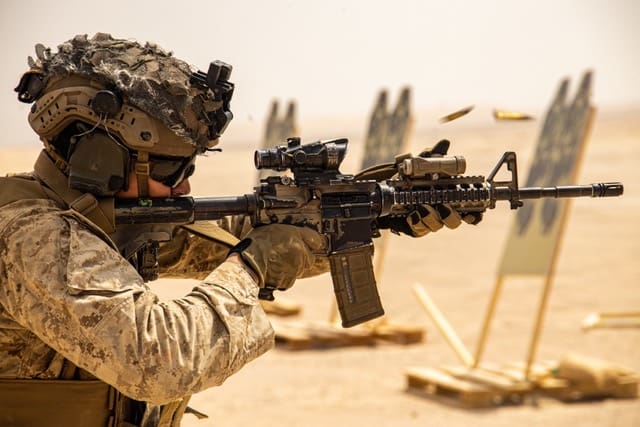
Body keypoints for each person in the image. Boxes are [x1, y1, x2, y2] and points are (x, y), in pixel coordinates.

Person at [0, 33, 476, 427]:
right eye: (169, 169)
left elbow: (224, 234)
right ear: (97, 159)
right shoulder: (36, 235)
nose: (184, 184)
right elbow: (163, 360)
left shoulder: (96, 216)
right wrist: (251, 267)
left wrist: (374, 214)